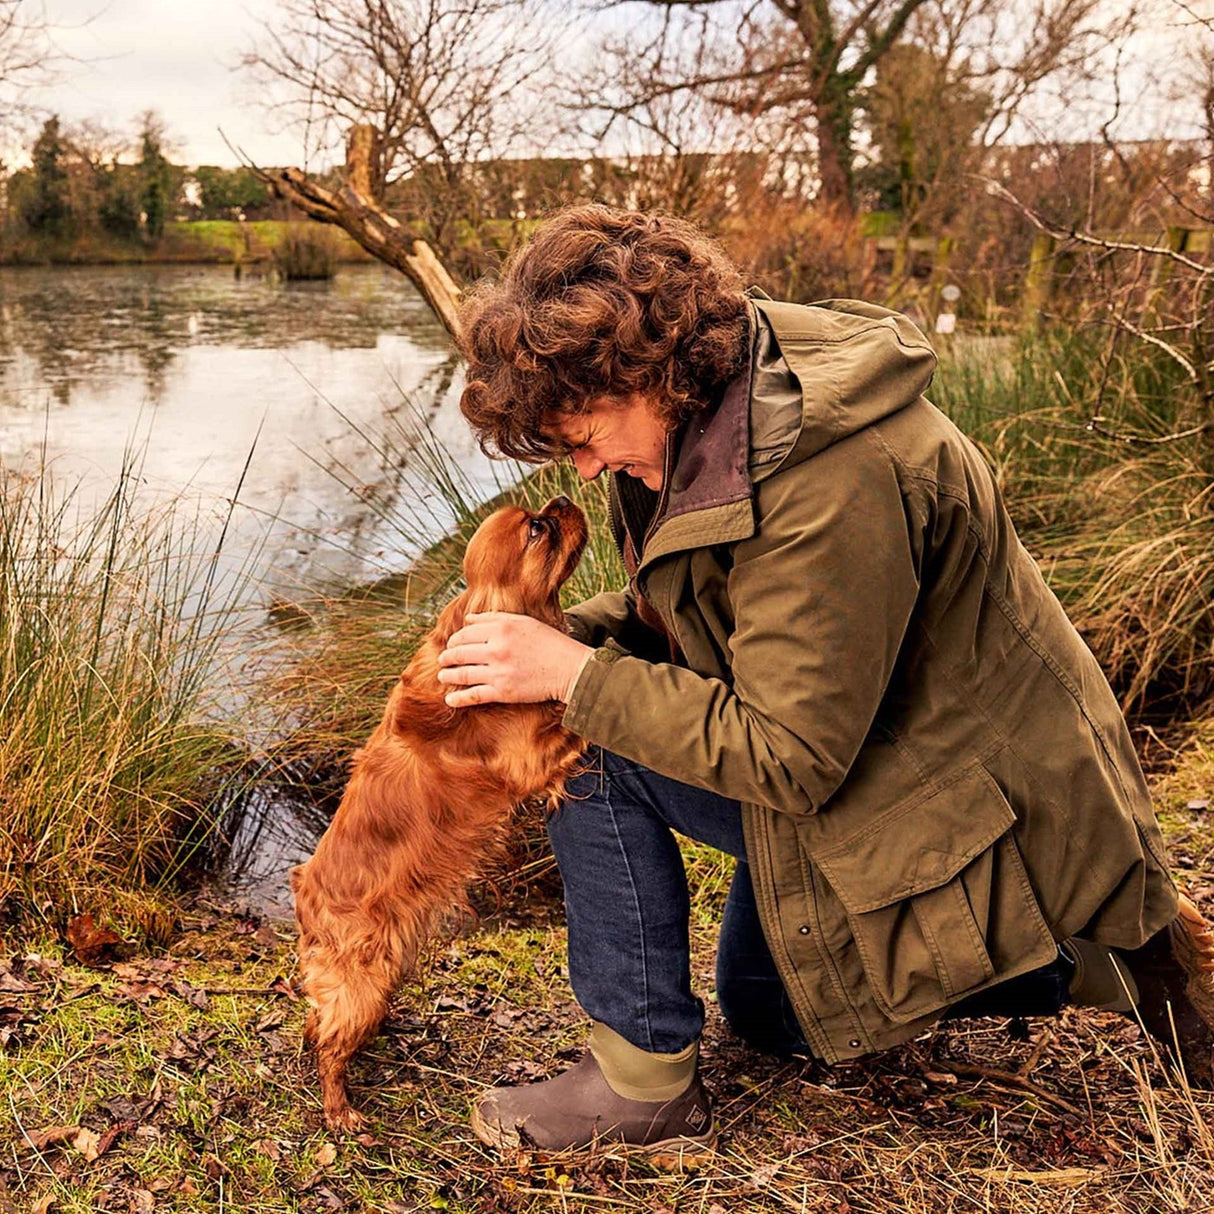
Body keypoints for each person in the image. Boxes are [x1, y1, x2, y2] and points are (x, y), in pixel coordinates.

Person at [435, 205, 1214, 1157]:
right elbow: (692, 622)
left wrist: (571, 675)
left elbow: (792, 755)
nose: (588, 466)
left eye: (588, 435)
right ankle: (1089, 960)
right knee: (771, 1013)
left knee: (582, 739)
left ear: (648, 368)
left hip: (963, 803)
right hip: (885, 767)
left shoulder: (829, 475)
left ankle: (639, 1084)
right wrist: (539, 638)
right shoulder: (702, 416)